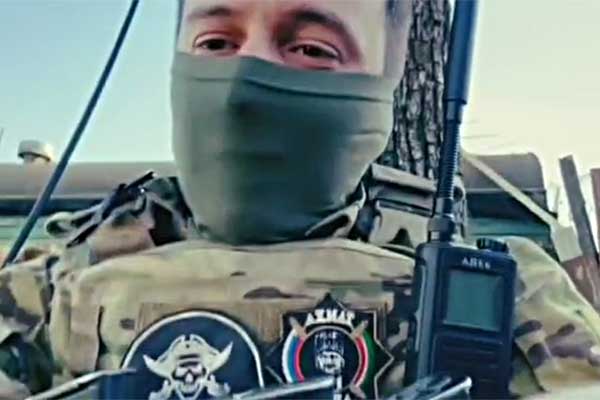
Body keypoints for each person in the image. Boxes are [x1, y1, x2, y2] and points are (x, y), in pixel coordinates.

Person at [1, 0, 600, 398]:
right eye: (216, 41)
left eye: (312, 49)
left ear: (385, 83)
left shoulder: (504, 300)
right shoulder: (41, 293)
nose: (242, 85)